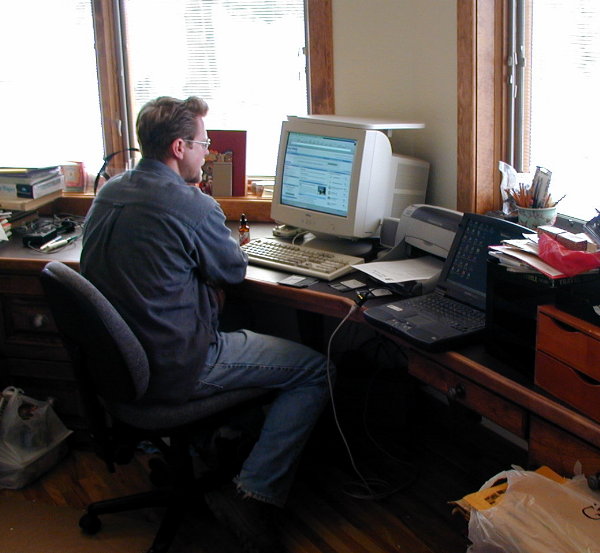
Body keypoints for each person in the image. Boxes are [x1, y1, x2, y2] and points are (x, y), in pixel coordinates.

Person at [80, 96, 332, 553]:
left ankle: (214, 447)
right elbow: (232, 271)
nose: (208, 152)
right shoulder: (190, 204)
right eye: (203, 143)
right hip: (177, 365)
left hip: (119, 368)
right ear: (179, 148)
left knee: (239, 317)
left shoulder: (110, 192)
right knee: (316, 370)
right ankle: (254, 493)